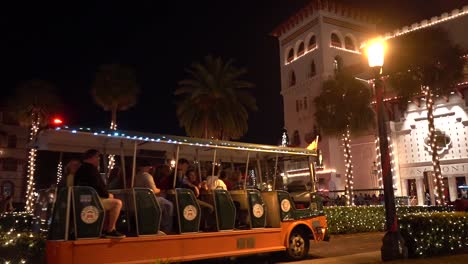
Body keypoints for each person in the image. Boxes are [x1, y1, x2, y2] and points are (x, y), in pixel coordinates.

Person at [74, 149, 125, 238]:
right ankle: (110, 230)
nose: (98, 160)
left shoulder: (81, 169)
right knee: (117, 203)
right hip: (91, 200)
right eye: (97, 157)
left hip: (83, 199)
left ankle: (105, 228)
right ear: (92, 157)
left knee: (111, 199)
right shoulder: (91, 170)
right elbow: (97, 186)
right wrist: (107, 194)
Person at [134, 160, 174, 234]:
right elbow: (154, 190)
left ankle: (160, 225)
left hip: (141, 199)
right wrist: (163, 191)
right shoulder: (147, 176)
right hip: (148, 200)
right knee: (169, 205)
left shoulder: (137, 175)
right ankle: (166, 228)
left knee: (163, 200)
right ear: (147, 167)